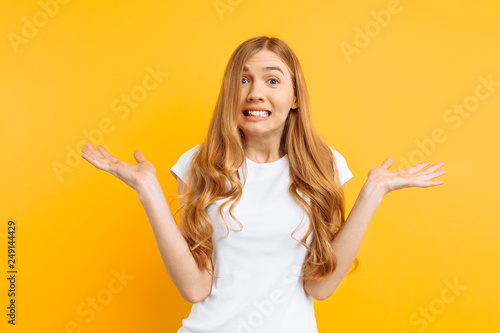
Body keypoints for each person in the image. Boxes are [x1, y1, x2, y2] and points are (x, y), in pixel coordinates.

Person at [81, 36, 445, 333]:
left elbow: (320, 286)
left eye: (272, 80)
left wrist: (373, 192)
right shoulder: (199, 164)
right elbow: (195, 287)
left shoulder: (324, 166)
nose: (255, 92)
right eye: (243, 79)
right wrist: (149, 191)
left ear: (295, 98)